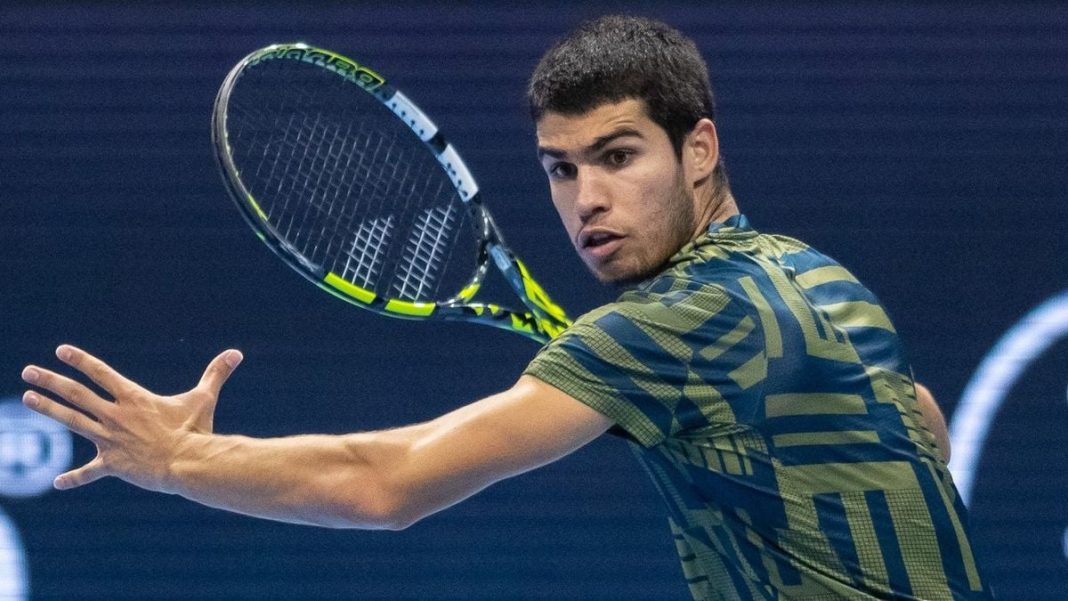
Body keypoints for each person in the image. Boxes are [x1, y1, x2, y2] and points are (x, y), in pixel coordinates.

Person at [21, 15, 988, 600]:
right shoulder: (819, 277)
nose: (587, 200)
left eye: (618, 156)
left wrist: (179, 460)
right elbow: (925, 428)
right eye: (561, 170)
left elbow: (387, 483)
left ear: (700, 150)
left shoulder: (660, 328)